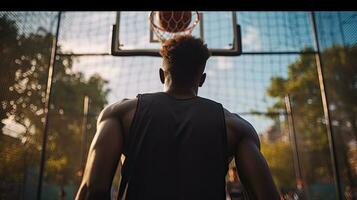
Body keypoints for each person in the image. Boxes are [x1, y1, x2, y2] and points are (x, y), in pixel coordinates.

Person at [75, 35, 280, 200]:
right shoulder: (236, 127)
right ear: (202, 80)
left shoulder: (120, 113)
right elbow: (266, 196)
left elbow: (93, 191)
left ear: (162, 75)